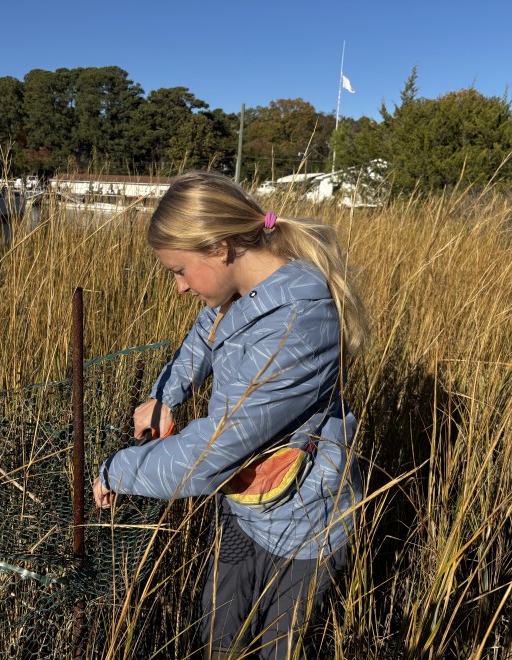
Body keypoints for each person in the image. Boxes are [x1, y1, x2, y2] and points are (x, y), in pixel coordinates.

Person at [92, 170, 368, 659]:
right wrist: (166, 395)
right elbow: (207, 333)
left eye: (179, 270)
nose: (177, 287)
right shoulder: (245, 287)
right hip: (245, 506)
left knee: (279, 649)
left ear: (220, 247)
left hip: (304, 528)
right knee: (219, 637)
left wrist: (116, 469)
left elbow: (209, 455)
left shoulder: (298, 325)